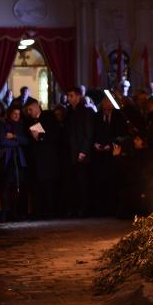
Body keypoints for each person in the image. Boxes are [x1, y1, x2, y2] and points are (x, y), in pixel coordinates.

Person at [23, 98, 62, 218]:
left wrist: (41, 136)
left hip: (49, 159)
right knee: (37, 187)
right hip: (36, 160)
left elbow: (56, 134)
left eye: (30, 109)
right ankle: (38, 212)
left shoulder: (49, 116)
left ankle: (50, 212)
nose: (29, 112)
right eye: (27, 110)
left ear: (36, 106)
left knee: (49, 186)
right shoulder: (29, 121)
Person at [64, 87, 94, 217]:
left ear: (78, 96)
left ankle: (83, 209)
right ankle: (73, 208)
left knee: (82, 182)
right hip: (70, 153)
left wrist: (83, 151)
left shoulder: (86, 112)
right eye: (68, 96)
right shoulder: (69, 112)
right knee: (72, 183)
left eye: (71, 95)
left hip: (81, 153)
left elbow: (88, 134)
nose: (68, 98)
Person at [0, 106, 29, 222]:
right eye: (14, 113)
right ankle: (4, 213)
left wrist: (14, 137)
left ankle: (14, 213)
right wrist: (17, 143)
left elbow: (26, 141)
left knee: (17, 188)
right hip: (7, 161)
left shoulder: (21, 126)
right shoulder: (3, 125)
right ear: (10, 114)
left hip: (19, 162)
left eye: (18, 114)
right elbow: (2, 141)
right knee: (5, 188)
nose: (17, 116)